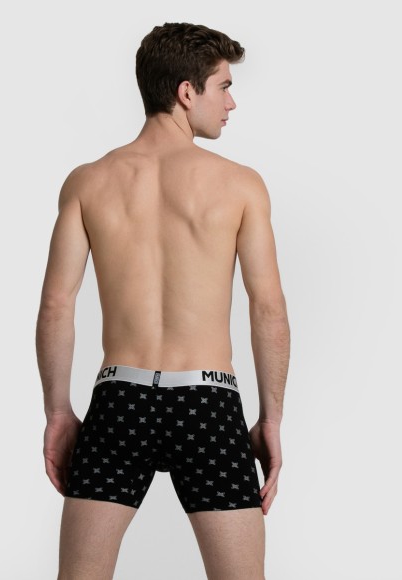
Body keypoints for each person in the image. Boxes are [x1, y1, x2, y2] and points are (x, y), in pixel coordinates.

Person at [36, 21, 290, 580]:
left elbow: (57, 305)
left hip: (120, 398)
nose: (231, 103)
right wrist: (270, 418)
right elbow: (267, 309)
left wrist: (57, 412)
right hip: (208, 401)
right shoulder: (240, 184)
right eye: (224, 86)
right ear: (186, 91)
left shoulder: (88, 181)